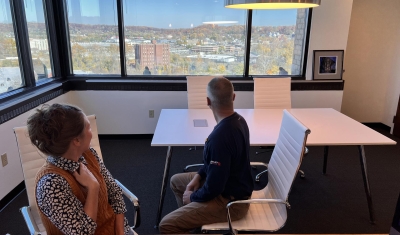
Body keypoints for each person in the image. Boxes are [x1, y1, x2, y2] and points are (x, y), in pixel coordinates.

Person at [159, 77, 254, 234]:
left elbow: (214, 187)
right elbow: (212, 164)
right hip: (232, 186)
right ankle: (194, 221)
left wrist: (193, 197)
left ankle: (192, 216)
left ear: (208, 101)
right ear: (234, 97)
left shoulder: (220, 137)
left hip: (232, 202)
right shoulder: (239, 120)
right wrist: (198, 176)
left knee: (167, 225)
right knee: (176, 181)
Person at [27, 103, 132, 235]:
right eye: (88, 127)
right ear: (76, 140)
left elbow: (115, 193)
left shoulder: (89, 155)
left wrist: (121, 232)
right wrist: (93, 188)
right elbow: (83, 232)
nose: (92, 133)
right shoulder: (50, 184)